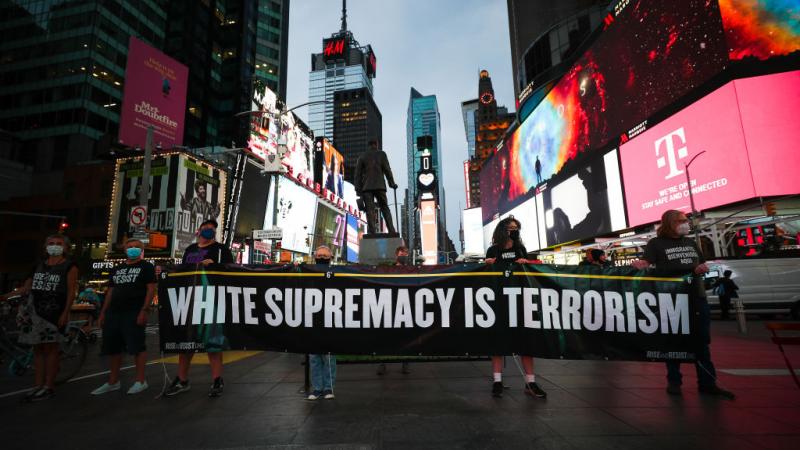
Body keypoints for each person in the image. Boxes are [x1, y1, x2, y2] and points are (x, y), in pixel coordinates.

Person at [632, 210, 734, 400]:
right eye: (681, 221)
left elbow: (700, 264)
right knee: (673, 340)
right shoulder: (656, 244)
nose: (686, 223)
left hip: (697, 297)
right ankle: (674, 381)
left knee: (702, 341)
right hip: (672, 299)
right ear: (670, 223)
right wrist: (641, 264)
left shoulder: (690, 242)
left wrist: (701, 269)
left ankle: (707, 382)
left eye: (686, 220)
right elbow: (650, 265)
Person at [1, 235, 78, 401]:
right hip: (34, 312)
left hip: (54, 313)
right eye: (51, 243)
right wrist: (5, 296)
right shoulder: (37, 265)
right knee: (37, 349)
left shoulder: (69, 266)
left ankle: (48, 386)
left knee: (51, 349)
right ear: (45, 247)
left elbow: (71, 291)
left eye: (59, 244)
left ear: (66, 248)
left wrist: (65, 313)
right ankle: (37, 385)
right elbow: (25, 288)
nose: (54, 246)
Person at [165, 220, 234, 398]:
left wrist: (215, 265)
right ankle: (182, 379)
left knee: (213, 342)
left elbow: (231, 271)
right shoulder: (190, 250)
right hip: (188, 299)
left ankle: (217, 379)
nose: (209, 231)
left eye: (212, 229)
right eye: (206, 229)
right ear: (199, 231)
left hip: (210, 299)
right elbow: (182, 270)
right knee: (186, 343)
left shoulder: (221, 250)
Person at [484, 217, 547, 399]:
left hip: (520, 299)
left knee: (525, 340)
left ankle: (531, 381)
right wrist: (488, 264)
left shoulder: (520, 249)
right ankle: (497, 381)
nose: (514, 230)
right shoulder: (493, 250)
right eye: (511, 228)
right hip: (499, 299)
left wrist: (526, 264)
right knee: (498, 340)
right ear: (503, 230)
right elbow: (487, 274)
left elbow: (529, 273)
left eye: (516, 228)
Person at [91, 239, 156, 395]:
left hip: (134, 311)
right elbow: (110, 292)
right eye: (130, 247)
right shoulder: (117, 268)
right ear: (125, 249)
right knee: (113, 348)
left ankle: (140, 381)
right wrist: (103, 312)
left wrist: (144, 310)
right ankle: (113, 381)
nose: (132, 249)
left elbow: (151, 289)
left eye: (136, 247)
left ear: (142, 251)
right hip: (114, 312)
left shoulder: (146, 267)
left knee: (137, 346)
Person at [377, 246, 411, 376]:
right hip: (390, 305)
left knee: (405, 336)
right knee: (387, 336)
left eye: (406, 253)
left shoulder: (411, 269)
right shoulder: (388, 269)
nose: (404, 255)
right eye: (402, 253)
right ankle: (383, 363)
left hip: (405, 306)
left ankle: (405, 363)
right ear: (396, 255)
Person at [307, 245, 336, 400]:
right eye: (320, 255)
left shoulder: (337, 274)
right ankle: (317, 388)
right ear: (315, 256)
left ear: (331, 257)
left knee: (328, 356)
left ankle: (328, 388)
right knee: (314, 356)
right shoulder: (307, 273)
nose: (322, 258)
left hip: (330, 320)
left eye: (325, 256)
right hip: (312, 319)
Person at [354, 139, 398, 234]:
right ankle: (391, 230)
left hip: (367, 188)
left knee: (370, 211)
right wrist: (392, 183)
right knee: (385, 208)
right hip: (380, 186)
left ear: (368, 145)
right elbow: (387, 170)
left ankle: (372, 232)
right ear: (376, 145)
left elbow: (357, 175)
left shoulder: (362, 156)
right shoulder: (382, 154)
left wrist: (358, 189)